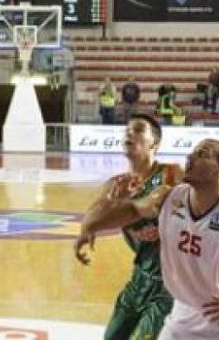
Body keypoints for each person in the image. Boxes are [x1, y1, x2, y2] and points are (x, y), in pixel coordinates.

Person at [77, 139, 219, 340]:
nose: (190, 156)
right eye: (193, 152)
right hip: (183, 316)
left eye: (202, 154)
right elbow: (132, 210)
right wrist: (90, 226)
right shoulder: (166, 197)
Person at [74, 114, 184, 340]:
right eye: (127, 130)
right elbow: (89, 222)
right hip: (139, 280)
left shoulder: (172, 174)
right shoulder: (117, 184)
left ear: (154, 142)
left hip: (171, 286)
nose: (129, 133)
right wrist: (113, 202)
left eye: (138, 129)